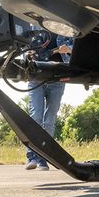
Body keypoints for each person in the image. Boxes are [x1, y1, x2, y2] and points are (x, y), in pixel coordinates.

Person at [24, 29, 74, 171]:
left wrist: (68, 49)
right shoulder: (33, 29)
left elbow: (78, 49)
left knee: (50, 120)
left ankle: (43, 159)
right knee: (35, 116)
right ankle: (31, 157)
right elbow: (23, 49)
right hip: (35, 78)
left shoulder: (66, 28)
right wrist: (26, 56)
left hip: (57, 79)